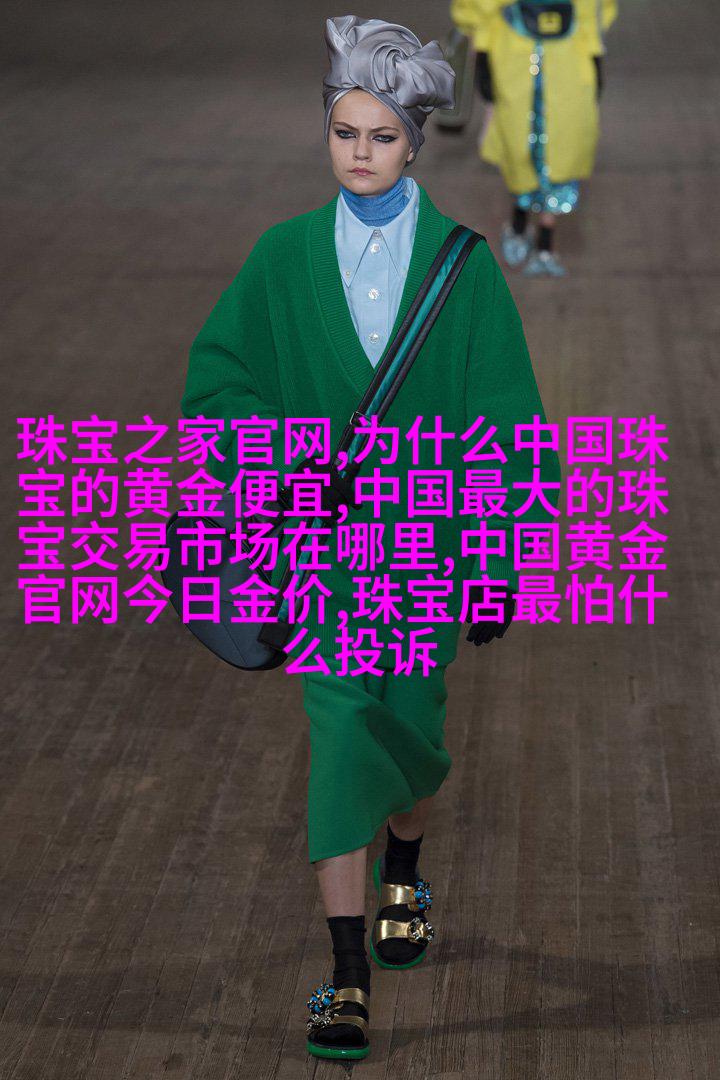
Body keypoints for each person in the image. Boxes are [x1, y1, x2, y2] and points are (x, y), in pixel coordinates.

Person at [180, 14, 561, 1061]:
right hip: (322, 557)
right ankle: (346, 973)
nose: (360, 152)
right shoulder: (281, 257)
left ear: (415, 141)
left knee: (412, 738)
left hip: (428, 554)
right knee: (344, 735)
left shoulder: (462, 268)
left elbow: (508, 421)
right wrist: (274, 461)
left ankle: (406, 869)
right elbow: (220, 383)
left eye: (382, 135)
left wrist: (500, 560)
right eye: (344, 132)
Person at [451, 0, 617, 275]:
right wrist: (484, 49)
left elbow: (596, 12)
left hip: (561, 59)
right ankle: (522, 224)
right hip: (519, 56)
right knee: (520, 147)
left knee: (560, 149)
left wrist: (593, 51)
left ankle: (543, 240)